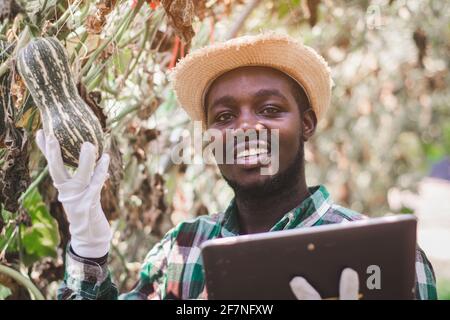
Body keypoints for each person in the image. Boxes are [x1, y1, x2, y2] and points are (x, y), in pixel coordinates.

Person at [35, 32, 437, 300]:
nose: (246, 128)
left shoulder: (390, 258)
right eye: (225, 117)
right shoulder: (180, 251)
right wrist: (88, 250)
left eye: (269, 109)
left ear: (307, 125)